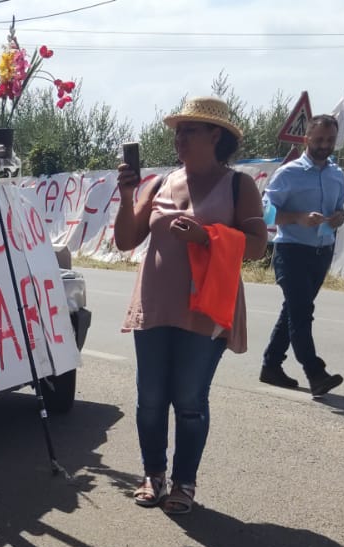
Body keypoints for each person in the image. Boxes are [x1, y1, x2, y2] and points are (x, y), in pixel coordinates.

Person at [113, 97, 267, 515]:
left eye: (189, 131)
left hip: (206, 309)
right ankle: (153, 475)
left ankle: (184, 482)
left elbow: (257, 245)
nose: (179, 138)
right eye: (177, 131)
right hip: (156, 304)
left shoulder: (239, 185)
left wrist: (207, 238)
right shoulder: (162, 182)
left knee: (189, 400)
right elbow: (126, 240)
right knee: (150, 399)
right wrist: (128, 196)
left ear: (215, 136)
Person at [261, 114, 344, 396]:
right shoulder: (289, 173)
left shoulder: (337, 174)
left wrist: (338, 217)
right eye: (319, 139)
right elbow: (264, 211)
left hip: (322, 251)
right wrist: (296, 217)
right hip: (292, 251)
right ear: (306, 139)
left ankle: (271, 365)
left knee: (293, 310)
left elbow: (340, 209)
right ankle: (315, 372)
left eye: (330, 140)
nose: (324, 145)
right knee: (301, 313)